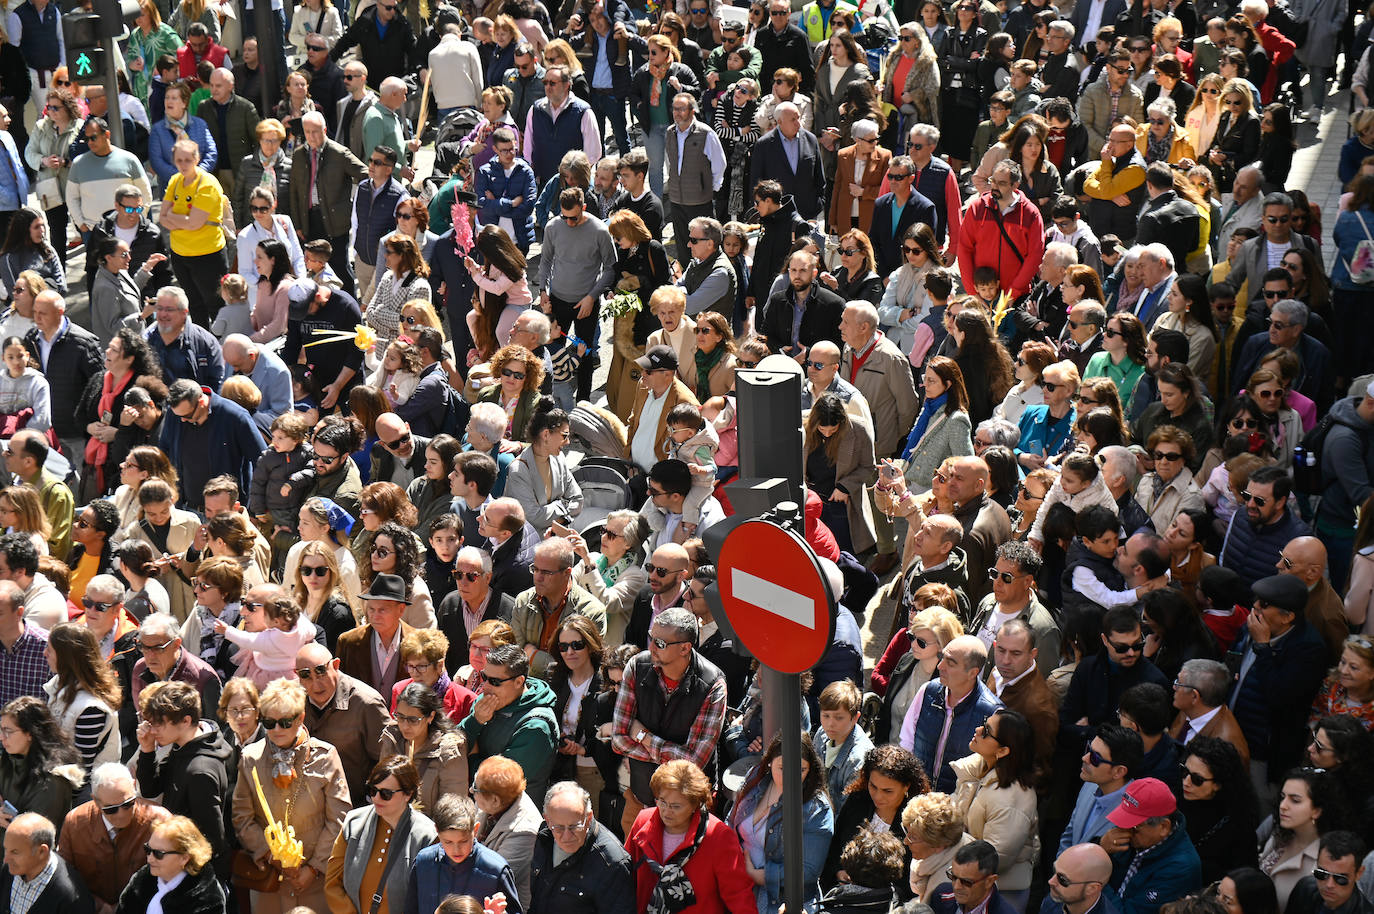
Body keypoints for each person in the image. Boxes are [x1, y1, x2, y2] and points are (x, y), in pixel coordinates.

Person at [231, 678, 350, 914]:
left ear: (300, 718)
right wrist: (272, 856)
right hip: (270, 881)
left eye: (285, 723)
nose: (276, 730)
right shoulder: (250, 758)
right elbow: (241, 817)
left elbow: (339, 818)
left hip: (316, 883)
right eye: (269, 722)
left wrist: (313, 869)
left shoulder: (326, 756)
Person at [626, 759, 754, 913]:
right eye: (662, 801)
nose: (666, 811)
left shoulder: (719, 836)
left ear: (695, 805)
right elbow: (624, 878)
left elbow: (739, 896)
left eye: (676, 806)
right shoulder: (643, 821)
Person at [322, 757, 439, 914]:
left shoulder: (427, 837)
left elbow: (429, 899)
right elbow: (332, 884)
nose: (376, 798)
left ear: (408, 793)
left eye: (386, 793)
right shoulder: (353, 823)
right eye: (373, 790)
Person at [58, 762, 170, 913]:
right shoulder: (75, 823)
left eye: (128, 804)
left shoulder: (160, 821)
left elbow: (172, 876)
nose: (122, 814)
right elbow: (66, 877)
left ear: (134, 787)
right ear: (96, 801)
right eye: (111, 809)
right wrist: (97, 905)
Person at [458, 644, 559, 803]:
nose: (486, 687)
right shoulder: (484, 701)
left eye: (495, 681)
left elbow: (499, 782)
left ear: (519, 682)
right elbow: (454, 745)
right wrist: (474, 721)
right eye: (484, 677)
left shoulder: (537, 726)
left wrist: (472, 755)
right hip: (478, 806)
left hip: (514, 817)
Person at [295, 642, 391, 807]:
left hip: (356, 807)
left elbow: (387, 761)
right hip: (309, 806)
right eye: (306, 676)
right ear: (297, 676)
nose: (316, 684)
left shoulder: (366, 703)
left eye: (321, 672)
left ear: (336, 665)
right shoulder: (294, 702)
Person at [403, 795, 522, 914]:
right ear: (437, 831)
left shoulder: (496, 870)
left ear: (475, 830)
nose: (456, 850)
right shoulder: (423, 863)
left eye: (463, 841)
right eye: (448, 842)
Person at [157, 139, 228, 329]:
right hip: (180, 254)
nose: (183, 164)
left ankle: (223, 346)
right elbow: (162, 218)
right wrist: (184, 221)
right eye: (179, 160)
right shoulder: (175, 180)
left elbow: (193, 223)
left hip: (207, 255)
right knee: (194, 304)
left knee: (215, 304)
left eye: (188, 160)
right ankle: (202, 343)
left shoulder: (207, 184)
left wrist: (174, 217)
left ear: (197, 158)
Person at [1179, 736, 1260, 884]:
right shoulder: (1175, 796)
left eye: (1197, 779)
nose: (1186, 782)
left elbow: (1242, 879)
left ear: (1218, 784)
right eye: (1184, 771)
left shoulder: (1239, 823)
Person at [379, 682, 468, 815]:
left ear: (430, 717)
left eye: (413, 720)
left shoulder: (448, 751)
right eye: (400, 717)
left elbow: (453, 810)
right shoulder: (392, 739)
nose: (405, 726)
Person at [42, 623, 119, 774]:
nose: (45, 653)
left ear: (67, 657)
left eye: (50, 650)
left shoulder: (91, 708)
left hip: (89, 792)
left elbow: (81, 770)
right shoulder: (56, 687)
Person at [113, 814, 224, 914]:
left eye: (158, 853)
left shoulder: (207, 898)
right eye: (148, 849)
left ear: (185, 858)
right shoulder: (142, 881)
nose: (150, 859)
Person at [0, 813, 94, 914]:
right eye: (6, 849)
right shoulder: (10, 868)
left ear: (42, 852)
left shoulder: (70, 899)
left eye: (15, 852)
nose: (6, 859)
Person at [927, 840, 1017, 914]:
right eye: (953, 877)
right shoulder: (941, 895)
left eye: (966, 882)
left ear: (989, 881)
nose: (956, 887)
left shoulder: (1005, 911)